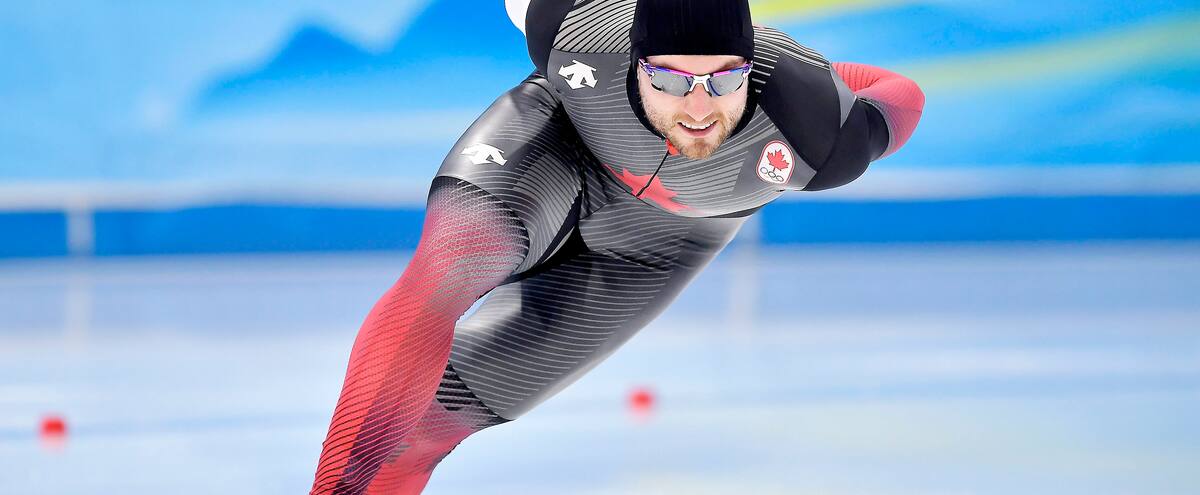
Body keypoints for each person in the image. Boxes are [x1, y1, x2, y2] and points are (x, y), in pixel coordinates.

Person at [310, 0, 924, 493]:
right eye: (669, 77)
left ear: (752, 67)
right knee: (454, 262)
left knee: (425, 430)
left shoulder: (821, 130)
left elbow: (901, 91)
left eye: (725, 78)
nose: (698, 108)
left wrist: (812, 69)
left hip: (658, 249)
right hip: (555, 149)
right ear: (632, 59)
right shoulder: (574, 28)